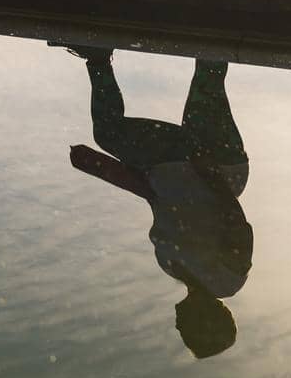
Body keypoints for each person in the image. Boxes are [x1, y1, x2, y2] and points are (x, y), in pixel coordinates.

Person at [61, 46, 253, 359]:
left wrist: (102, 168)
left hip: (166, 163)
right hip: (220, 164)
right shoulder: (228, 280)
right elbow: (238, 225)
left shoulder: (170, 264)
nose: (178, 327)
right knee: (208, 84)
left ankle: (96, 55)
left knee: (108, 133)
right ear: (209, 322)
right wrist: (209, 170)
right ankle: (217, 28)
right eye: (187, 331)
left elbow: (156, 199)